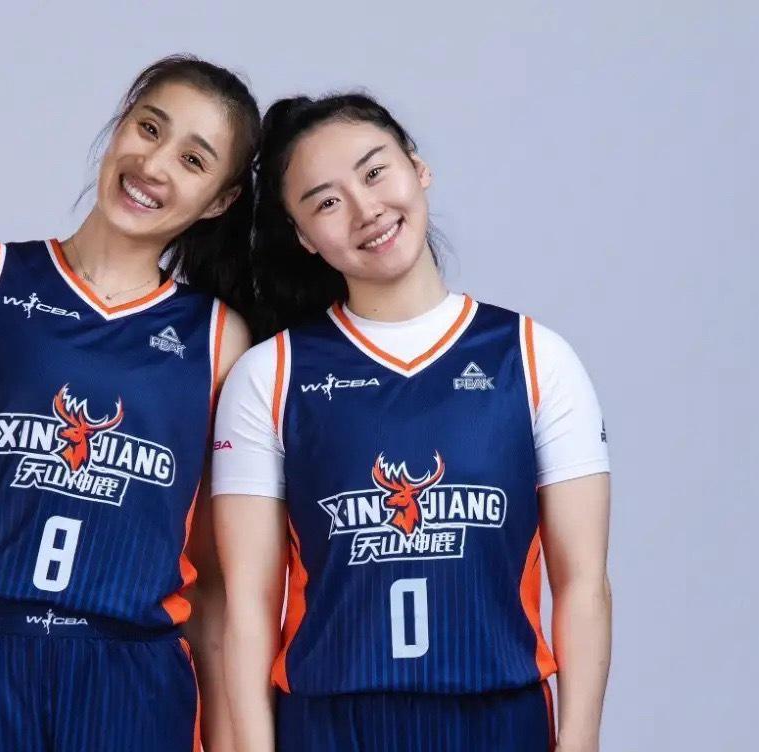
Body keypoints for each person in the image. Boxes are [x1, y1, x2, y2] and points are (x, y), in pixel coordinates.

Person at [0, 55, 257, 752]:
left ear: (219, 200)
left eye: (193, 160)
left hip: (133, 679)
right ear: (118, 128)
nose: (154, 164)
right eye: (148, 128)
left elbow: (214, 583)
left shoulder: (219, 339)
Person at [213, 93, 611, 752]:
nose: (365, 209)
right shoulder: (269, 375)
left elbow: (583, 584)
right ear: (303, 236)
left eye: (374, 173)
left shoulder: (534, 357)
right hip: (329, 723)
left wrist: (579, 740)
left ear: (417, 169)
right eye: (326, 202)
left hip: (498, 719)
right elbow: (248, 606)